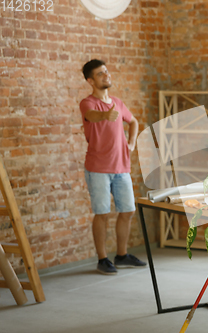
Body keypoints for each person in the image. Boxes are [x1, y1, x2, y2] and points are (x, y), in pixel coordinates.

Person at [80, 59, 146, 275]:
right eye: (100, 74)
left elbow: (133, 121)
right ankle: (102, 259)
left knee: (127, 210)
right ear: (90, 81)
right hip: (98, 168)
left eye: (106, 72)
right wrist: (105, 115)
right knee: (102, 213)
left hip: (121, 167)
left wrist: (132, 142)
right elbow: (91, 116)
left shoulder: (118, 102)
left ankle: (121, 255)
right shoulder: (88, 103)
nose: (106, 76)